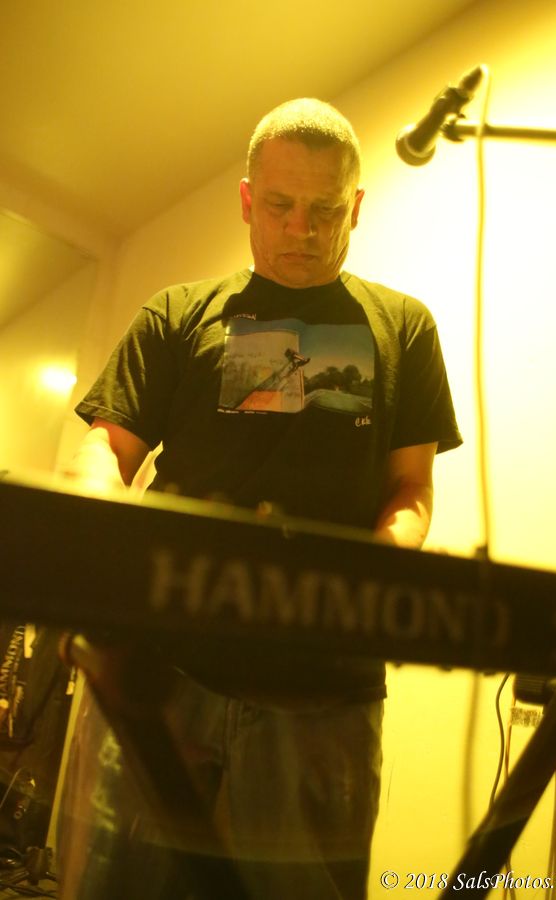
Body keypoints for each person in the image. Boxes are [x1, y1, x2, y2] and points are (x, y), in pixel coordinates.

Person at [58, 98, 462, 899]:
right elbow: (105, 447)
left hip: (325, 693)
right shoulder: (177, 314)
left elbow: (410, 488)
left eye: (324, 210)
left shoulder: (405, 327)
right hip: (164, 670)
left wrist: (380, 568)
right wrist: (100, 513)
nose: (302, 229)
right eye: (280, 205)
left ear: (356, 206)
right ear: (248, 200)